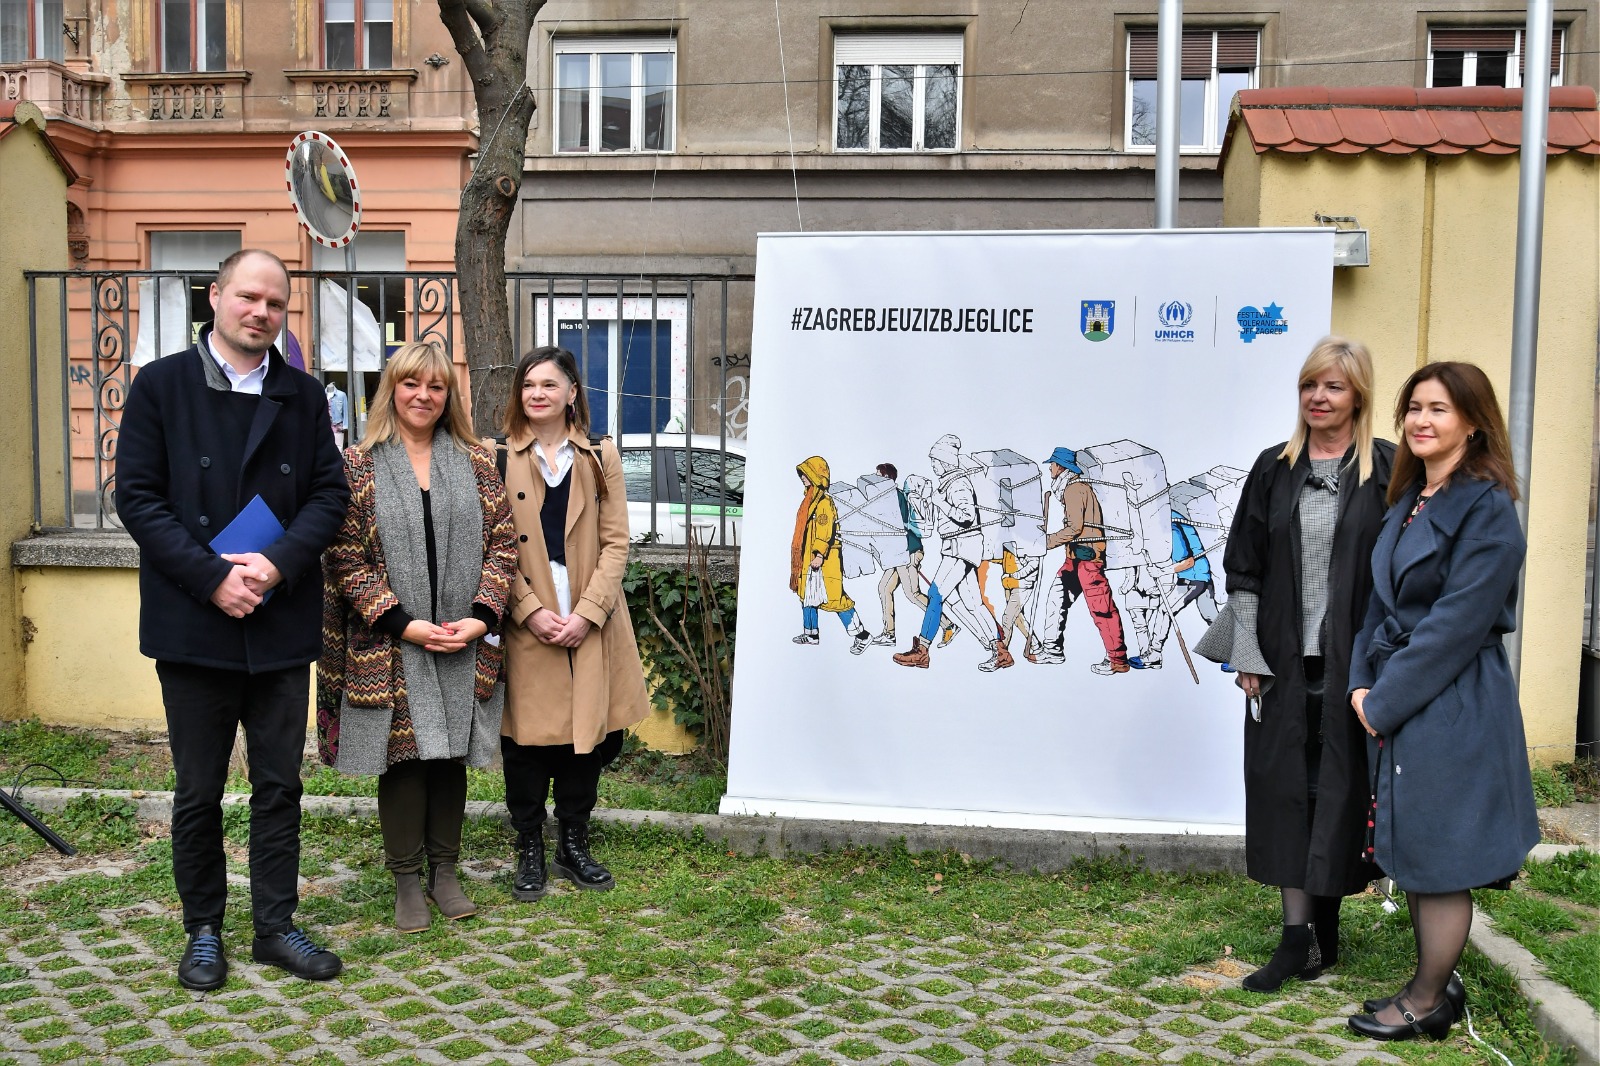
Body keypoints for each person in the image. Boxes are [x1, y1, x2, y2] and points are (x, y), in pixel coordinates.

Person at [116, 248, 350, 990]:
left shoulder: (303, 395)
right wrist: (213, 578)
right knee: (199, 790)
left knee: (280, 786)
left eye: (276, 303)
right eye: (249, 297)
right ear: (214, 296)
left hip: (278, 617)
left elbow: (330, 495)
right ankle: (203, 931)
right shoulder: (160, 386)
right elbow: (138, 499)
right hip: (195, 621)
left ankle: (276, 927)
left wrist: (276, 564)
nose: (262, 312)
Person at [1345, 362, 1538, 1042]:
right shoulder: (1409, 499)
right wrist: (1360, 682)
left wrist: (1382, 701)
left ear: (1474, 423)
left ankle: (1427, 1002)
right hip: (1402, 691)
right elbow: (1378, 605)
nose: (1420, 421)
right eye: (1414, 407)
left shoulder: (1488, 509)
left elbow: (1455, 626)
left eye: (1439, 409)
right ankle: (1434, 981)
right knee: (1420, 844)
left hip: (1452, 698)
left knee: (1441, 853)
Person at [1212, 336, 1394, 993]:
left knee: (1341, 790)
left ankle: (1327, 928)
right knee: (1286, 790)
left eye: (1333, 386)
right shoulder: (1274, 468)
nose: (1319, 397)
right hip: (1284, 665)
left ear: (1358, 396)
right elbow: (1244, 569)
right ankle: (1296, 939)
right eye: (1310, 385)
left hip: (1358, 665)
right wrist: (1247, 653)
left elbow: (1405, 571)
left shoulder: (1388, 469)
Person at [317, 341, 518, 933]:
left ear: (448, 396)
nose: (423, 396)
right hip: (391, 640)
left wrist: (481, 617)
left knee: (450, 756)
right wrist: (401, 622)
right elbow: (344, 557)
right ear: (392, 389)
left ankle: (445, 872)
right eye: (411, 384)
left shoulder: (476, 462)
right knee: (403, 758)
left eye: (435, 386)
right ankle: (407, 877)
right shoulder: (358, 464)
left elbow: (504, 544)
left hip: (460, 635)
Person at [499, 347, 650, 901]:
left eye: (548, 384)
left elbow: (616, 542)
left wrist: (588, 613)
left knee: (585, 738)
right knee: (525, 741)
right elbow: (490, 544)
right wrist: (528, 610)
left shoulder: (599, 455)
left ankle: (573, 844)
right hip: (526, 614)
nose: (536, 394)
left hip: (591, 614)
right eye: (527, 384)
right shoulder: (496, 456)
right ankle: (529, 847)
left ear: (572, 393)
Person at [894, 434, 1006, 670]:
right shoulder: (946, 485)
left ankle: (922, 650)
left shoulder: (958, 484)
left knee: (935, 594)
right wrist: (923, 502)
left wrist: (939, 501)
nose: (933, 465)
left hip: (961, 546)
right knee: (973, 604)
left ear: (945, 461)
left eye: (935, 461)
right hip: (957, 546)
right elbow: (931, 525)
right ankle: (1000, 651)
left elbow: (966, 516)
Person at [1033, 447, 1130, 674]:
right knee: (1056, 599)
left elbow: (1075, 528)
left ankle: (1118, 660)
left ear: (1061, 467)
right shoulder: (1072, 488)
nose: (1050, 468)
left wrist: (1047, 542)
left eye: (1052, 464)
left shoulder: (1074, 489)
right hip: (1074, 558)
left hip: (1088, 559)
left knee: (1101, 608)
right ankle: (1052, 650)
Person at [790, 456, 872, 651]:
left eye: (806, 473)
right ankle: (811, 634)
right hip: (808, 558)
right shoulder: (809, 500)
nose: (802, 477)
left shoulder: (823, 502)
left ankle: (862, 635)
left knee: (836, 600)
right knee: (806, 595)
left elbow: (825, 530)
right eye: (802, 474)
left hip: (823, 560)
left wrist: (819, 554)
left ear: (816, 476)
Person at [870, 463, 931, 648]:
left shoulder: (895, 497)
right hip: (898, 554)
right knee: (884, 588)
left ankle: (947, 624)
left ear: (887, 478)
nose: (876, 479)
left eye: (879, 476)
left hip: (908, 550)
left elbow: (898, 525)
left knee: (913, 594)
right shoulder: (885, 498)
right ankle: (889, 634)